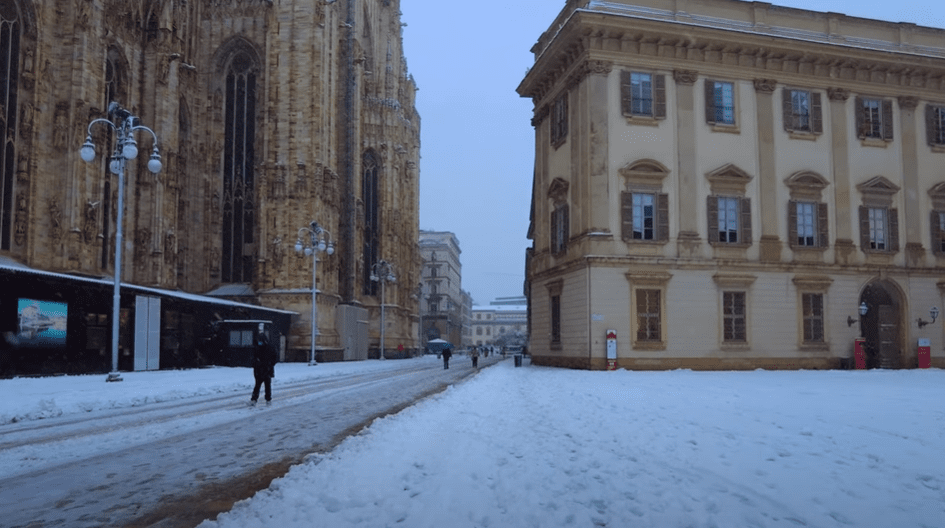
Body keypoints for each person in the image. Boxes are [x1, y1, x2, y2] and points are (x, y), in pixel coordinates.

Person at [251, 323, 278, 405]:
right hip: (265, 369)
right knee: (266, 385)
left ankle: (255, 399)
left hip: (262, 369)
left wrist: (258, 363)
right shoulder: (269, 347)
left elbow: (254, 357)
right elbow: (275, 357)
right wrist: (270, 364)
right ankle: (267, 399)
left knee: (259, 385)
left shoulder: (259, 348)